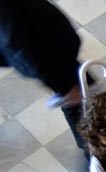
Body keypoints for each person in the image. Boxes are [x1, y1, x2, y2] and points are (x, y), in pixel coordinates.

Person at [0, 0, 87, 149]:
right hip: (51, 54)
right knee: (76, 98)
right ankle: (94, 148)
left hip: (52, 44)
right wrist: (60, 83)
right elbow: (17, 44)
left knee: (79, 92)